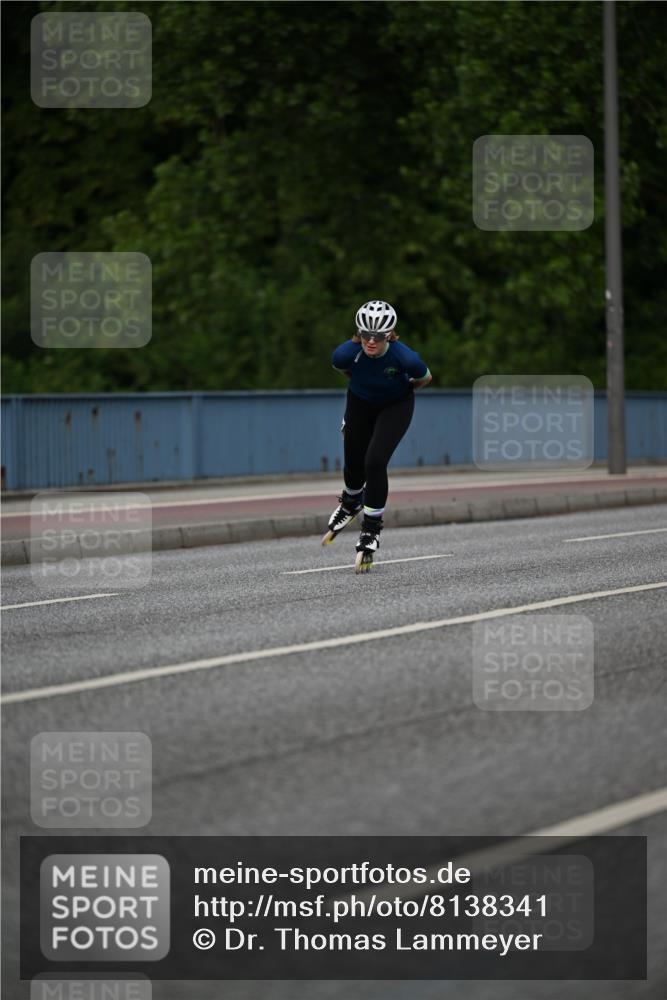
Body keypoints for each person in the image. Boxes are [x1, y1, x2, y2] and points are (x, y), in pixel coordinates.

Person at [323, 300, 432, 571]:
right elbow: (344, 371)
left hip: (396, 405)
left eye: (378, 336)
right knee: (353, 457)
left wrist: (401, 391)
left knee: (375, 461)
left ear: (389, 334)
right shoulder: (345, 354)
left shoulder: (406, 358)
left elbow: (424, 377)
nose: (370, 341)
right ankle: (350, 502)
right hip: (360, 402)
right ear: (358, 332)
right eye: (365, 335)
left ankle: (371, 529)